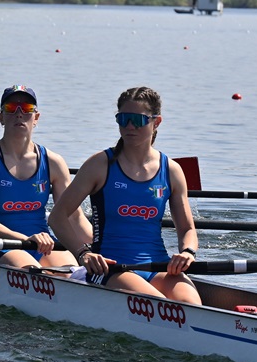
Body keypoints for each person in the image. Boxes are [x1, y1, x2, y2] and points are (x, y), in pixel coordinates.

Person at [48, 86, 201, 304]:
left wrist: (187, 252)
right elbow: (58, 216)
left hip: (158, 266)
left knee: (192, 305)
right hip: (111, 268)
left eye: (137, 120)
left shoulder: (172, 170)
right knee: (162, 306)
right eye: (123, 119)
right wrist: (83, 254)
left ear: (156, 122)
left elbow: (186, 229)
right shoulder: (100, 165)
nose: (129, 126)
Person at [0, 84, 86, 269]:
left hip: (42, 242)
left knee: (73, 274)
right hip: (3, 244)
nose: (19, 114)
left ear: (36, 117)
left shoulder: (53, 162)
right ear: (0, 117)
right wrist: (25, 239)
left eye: (26, 109)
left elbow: (74, 217)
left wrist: (96, 247)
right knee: (34, 271)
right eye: (10, 108)